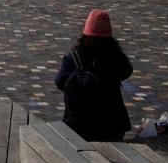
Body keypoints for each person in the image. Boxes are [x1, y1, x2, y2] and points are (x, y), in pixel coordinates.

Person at [55, 10, 133, 142]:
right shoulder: (113, 54)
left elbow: (59, 81)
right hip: (113, 127)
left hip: (79, 127)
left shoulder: (75, 55)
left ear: (86, 31)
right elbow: (126, 71)